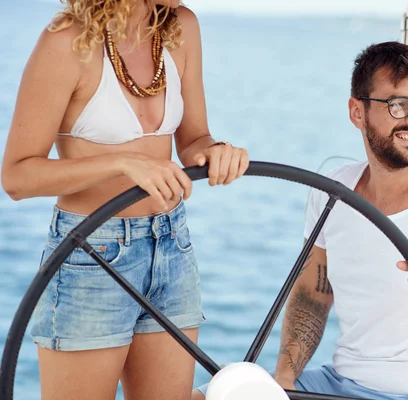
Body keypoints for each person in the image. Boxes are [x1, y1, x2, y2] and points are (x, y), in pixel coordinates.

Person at [193, 41, 408, 400]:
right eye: (398, 104)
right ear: (357, 112)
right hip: (337, 385)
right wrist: (285, 381)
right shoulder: (332, 190)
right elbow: (312, 296)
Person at [1, 1, 248, 399]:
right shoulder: (67, 42)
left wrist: (217, 151)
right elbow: (17, 176)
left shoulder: (180, 27)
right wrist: (120, 162)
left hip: (172, 245)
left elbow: (194, 140)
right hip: (92, 254)